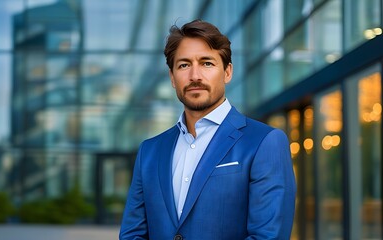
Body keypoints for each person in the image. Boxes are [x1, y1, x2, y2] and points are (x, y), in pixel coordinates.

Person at [119, 19, 296, 240]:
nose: (195, 76)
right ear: (172, 78)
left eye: (207, 63)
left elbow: (269, 236)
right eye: (184, 65)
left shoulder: (265, 142)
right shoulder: (150, 151)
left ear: (227, 72)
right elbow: (132, 234)